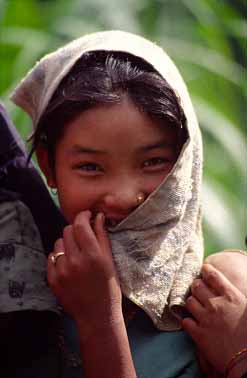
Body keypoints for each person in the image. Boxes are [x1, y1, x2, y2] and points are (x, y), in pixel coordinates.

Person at [7, 30, 246, 377]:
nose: (123, 196)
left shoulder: (221, 298)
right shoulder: (19, 291)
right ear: (48, 165)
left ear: (184, 163)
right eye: (90, 167)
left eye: (153, 162)